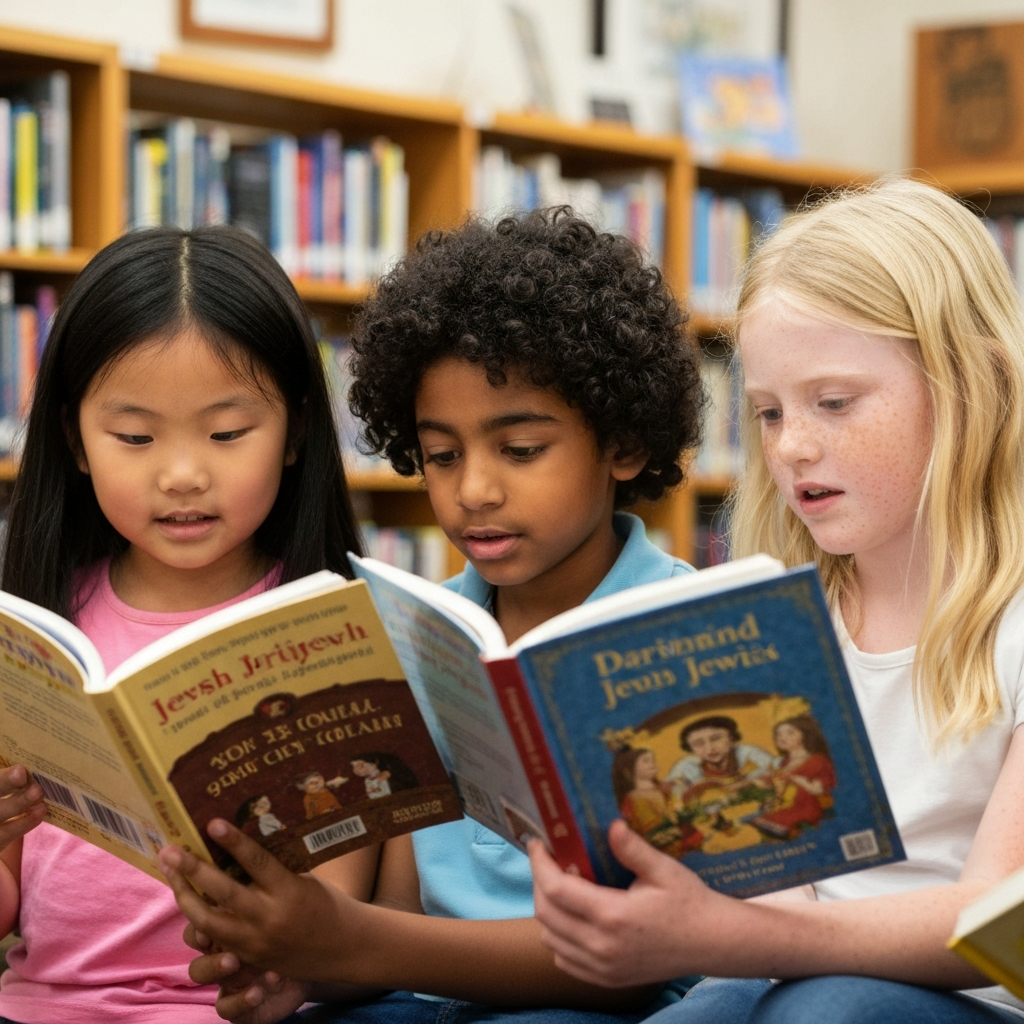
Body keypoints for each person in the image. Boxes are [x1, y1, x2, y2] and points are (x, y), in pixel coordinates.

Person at [157, 207, 706, 1023]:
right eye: (441, 455)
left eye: (520, 451)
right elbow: (406, 912)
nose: (473, 490)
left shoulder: (687, 632)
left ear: (622, 444)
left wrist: (346, 943)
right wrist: (296, 968)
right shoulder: (420, 631)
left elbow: (631, 964)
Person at [529, 177, 1024, 1024]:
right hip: (783, 975)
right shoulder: (782, 618)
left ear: (969, 382)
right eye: (765, 412)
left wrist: (726, 936)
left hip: (964, 997)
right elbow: (782, 890)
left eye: (834, 403)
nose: (792, 445)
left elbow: (989, 918)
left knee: (824, 1011)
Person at [0, 225, 362, 1024]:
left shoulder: (331, 631)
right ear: (75, 439)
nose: (183, 474)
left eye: (228, 434)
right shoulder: (33, 633)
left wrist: (291, 976)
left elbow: (341, 925)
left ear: (298, 430)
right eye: (134, 437)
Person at [749, 716, 836, 840]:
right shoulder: (785, 762)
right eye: (778, 734)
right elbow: (780, 786)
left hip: (804, 808)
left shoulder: (817, 760)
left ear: (805, 735)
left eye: (790, 732)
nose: (782, 737)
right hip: (783, 805)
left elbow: (818, 790)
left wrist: (797, 779)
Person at [612, 748, 702, 860]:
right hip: (663, 843)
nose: (652, 763)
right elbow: (645, 826)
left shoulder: (663, 789)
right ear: (628, 770)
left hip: (685, 837)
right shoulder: (634, 798)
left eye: (652, 760)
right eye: (645, 761)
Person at [665, 717, 773, 800]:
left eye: (716, 739)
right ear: (691, 750)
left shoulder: (747, 753)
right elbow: (671, 794)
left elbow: (774, 773)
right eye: (698, 744)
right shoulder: (687, 767)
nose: (710, 748)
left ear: (731, 738)